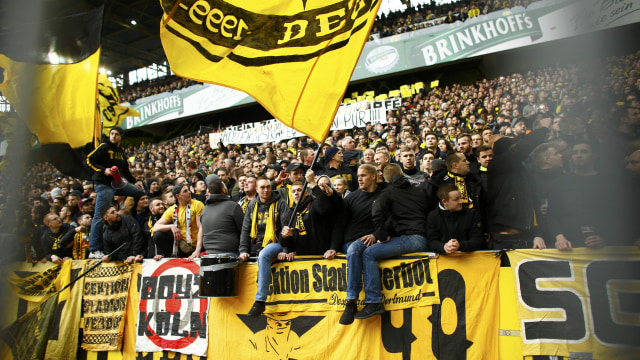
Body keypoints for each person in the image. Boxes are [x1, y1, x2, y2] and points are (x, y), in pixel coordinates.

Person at [340, 164, 428, 324]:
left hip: (411, 237)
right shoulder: (417, 190)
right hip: (420, 236)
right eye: (358, 176)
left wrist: (379, 235)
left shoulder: (388, 193)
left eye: (363, 175)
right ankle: (368, 301)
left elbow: (378, 213)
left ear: (380, 177)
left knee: (368, 253)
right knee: (362, 250)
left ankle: (368, 301)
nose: (359, 178)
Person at [487, 126, 550, 250]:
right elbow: (523, 148)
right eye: (514, 146)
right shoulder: (499, 163)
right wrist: (543, 128)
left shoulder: (519, 169)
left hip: (523, 227)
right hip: (507, 229)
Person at [86, 127, 144, 259]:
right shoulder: (104, 146)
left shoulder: (120, 152)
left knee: (139, 193)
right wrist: (103, 170)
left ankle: (131, 218)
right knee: (99, 216)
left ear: (120, 137)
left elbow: (125, 171)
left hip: (119, 184)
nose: (113, 136)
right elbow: (89, 159)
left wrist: (135, 182)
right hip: (104, 184)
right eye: (111, 134)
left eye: (116, 134)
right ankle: (94, 250)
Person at [239, 177, 288, 317]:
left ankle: (260, 301)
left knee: (264, 255)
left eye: (268, 187)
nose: (266, 190)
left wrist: (285, 250)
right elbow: (245, 229)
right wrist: (243, 250)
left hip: (276, 242)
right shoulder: (252, 205)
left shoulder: (281, 203)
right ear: (257, 189)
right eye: (262, 187)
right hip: (257, 244)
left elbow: (286, 229)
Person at [280, 171, 343, 258]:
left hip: (321, 255)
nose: (296, 193)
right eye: (293, 191)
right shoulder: (289, 213)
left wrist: (313, 183)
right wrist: (284, 237)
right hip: (301, 258)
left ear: (306, 193)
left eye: (299, 190)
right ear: (291, 195)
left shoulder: (314, 204)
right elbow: (286, 243)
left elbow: (323, 208)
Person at [189, 178, 244, 259]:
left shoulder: (205, 209)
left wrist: (198, 249)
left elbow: (202, 230)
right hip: (230, 253)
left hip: (209, 253)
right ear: (223, 190)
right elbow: (243, 229)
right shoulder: (233, 206)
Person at [152, 184, 204, 259]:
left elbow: (201, 227)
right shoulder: (172, 209)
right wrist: (171, 226)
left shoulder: (197, 204)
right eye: (185, 191)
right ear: (178, 196)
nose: (189, 192)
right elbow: (155, 228)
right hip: (181, 245)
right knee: (158, 235)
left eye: (188, 190)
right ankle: (165, 255)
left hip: (197, 245)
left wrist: (197, 250)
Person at [427, 183, 483, 254]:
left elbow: (477, 240)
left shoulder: (472, 214)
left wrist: (460, 245)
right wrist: (443, 247)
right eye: (456, 199)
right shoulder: (433, 216)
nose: (461, 201)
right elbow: (431, 241)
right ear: (444, 201)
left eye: (460, 197)